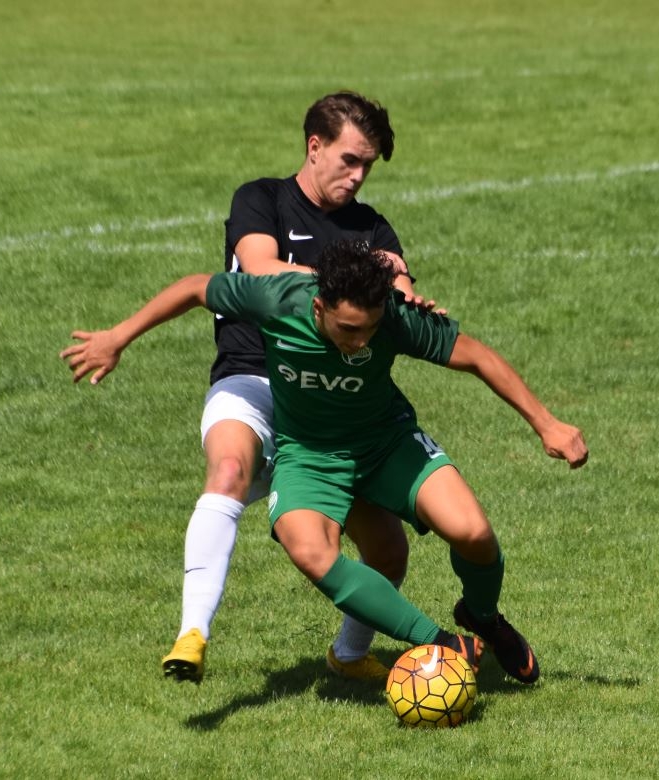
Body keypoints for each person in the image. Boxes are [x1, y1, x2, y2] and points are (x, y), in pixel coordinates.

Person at [61, 239, 589, 685]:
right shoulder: (278, 298)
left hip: (386, 443)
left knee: (473, 534)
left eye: (369, 330)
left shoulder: (393, 318)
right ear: (318, 308)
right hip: (308, 455)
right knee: (310, 549)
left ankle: (482, 616)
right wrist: (117, 337)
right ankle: (441, 644)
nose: (360, 342)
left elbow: (476, 356)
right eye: (348, 329)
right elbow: (197, 288)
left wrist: (546, 423)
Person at [70, 91, 425, 686]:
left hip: (330, 399)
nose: (359, 176)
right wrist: (118, 336)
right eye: (350, 159)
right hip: (252, 377)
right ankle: (192, 635)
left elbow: (402, 290)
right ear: (315, 146)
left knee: (388, 550)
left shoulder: (372, 228)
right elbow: (259, 269)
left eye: (368, 165)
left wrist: (407, 299)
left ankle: (347, 654)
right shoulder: (262, 200)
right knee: (230, 469)